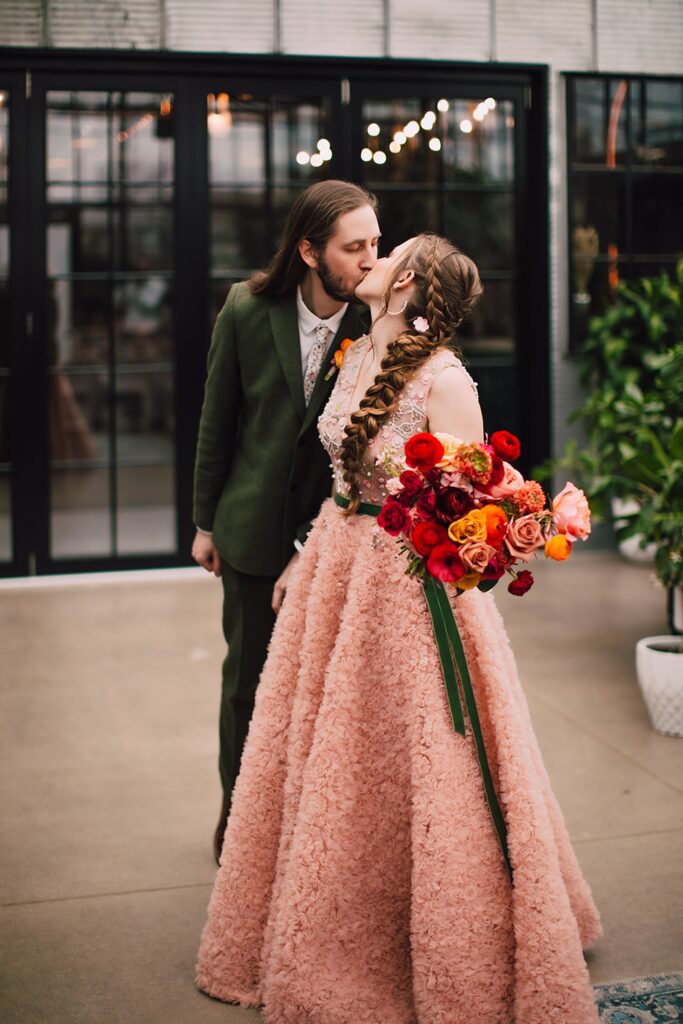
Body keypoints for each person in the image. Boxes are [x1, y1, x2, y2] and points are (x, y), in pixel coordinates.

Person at [196, 234, 603, 1023]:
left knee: (421, 755)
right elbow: (343, 482)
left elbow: (468, 503)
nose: (369, 260)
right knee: (332, 754)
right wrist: (302, 556)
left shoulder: (443, 379)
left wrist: (477, 543)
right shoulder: (354, 356)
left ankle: (447, 934)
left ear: (406, 281)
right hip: (336, 573)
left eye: (385, 252)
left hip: (411, 587)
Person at [192, 180, 380, 863]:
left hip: (338, 537)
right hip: (250, 531)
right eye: (352, 246)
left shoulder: (376, 322)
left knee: (326, 691)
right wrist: (205, 523)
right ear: (308, 250)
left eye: (374, 244)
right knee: (247, 684)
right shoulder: (246, 308)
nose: (368, 260)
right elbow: (218, 420)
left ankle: (310, 825)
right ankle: (238, 817)